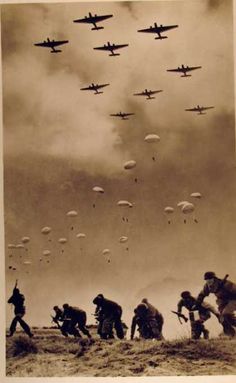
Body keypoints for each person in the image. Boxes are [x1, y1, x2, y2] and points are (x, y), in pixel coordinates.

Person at [196, 272, 236, 337]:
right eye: (206, 279)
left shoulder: (226, 284)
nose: (208, 281)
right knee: (222, 318)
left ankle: (230, 332)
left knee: (226, 313)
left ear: (214, 279)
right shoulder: (207, 286)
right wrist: (197, 303)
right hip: (222, 301)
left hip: (233, 299)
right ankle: (230, 332)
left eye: (210, 279)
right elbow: (202, 294)